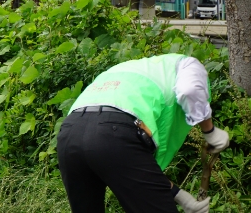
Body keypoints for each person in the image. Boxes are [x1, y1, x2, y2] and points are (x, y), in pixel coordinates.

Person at [57, 54, 230, 213]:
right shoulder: (187, 64)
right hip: (114, 132)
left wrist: (182, 197)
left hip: (69, 133)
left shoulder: (125, 70)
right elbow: (190, 90)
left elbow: (138, 169)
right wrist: (210, 131)